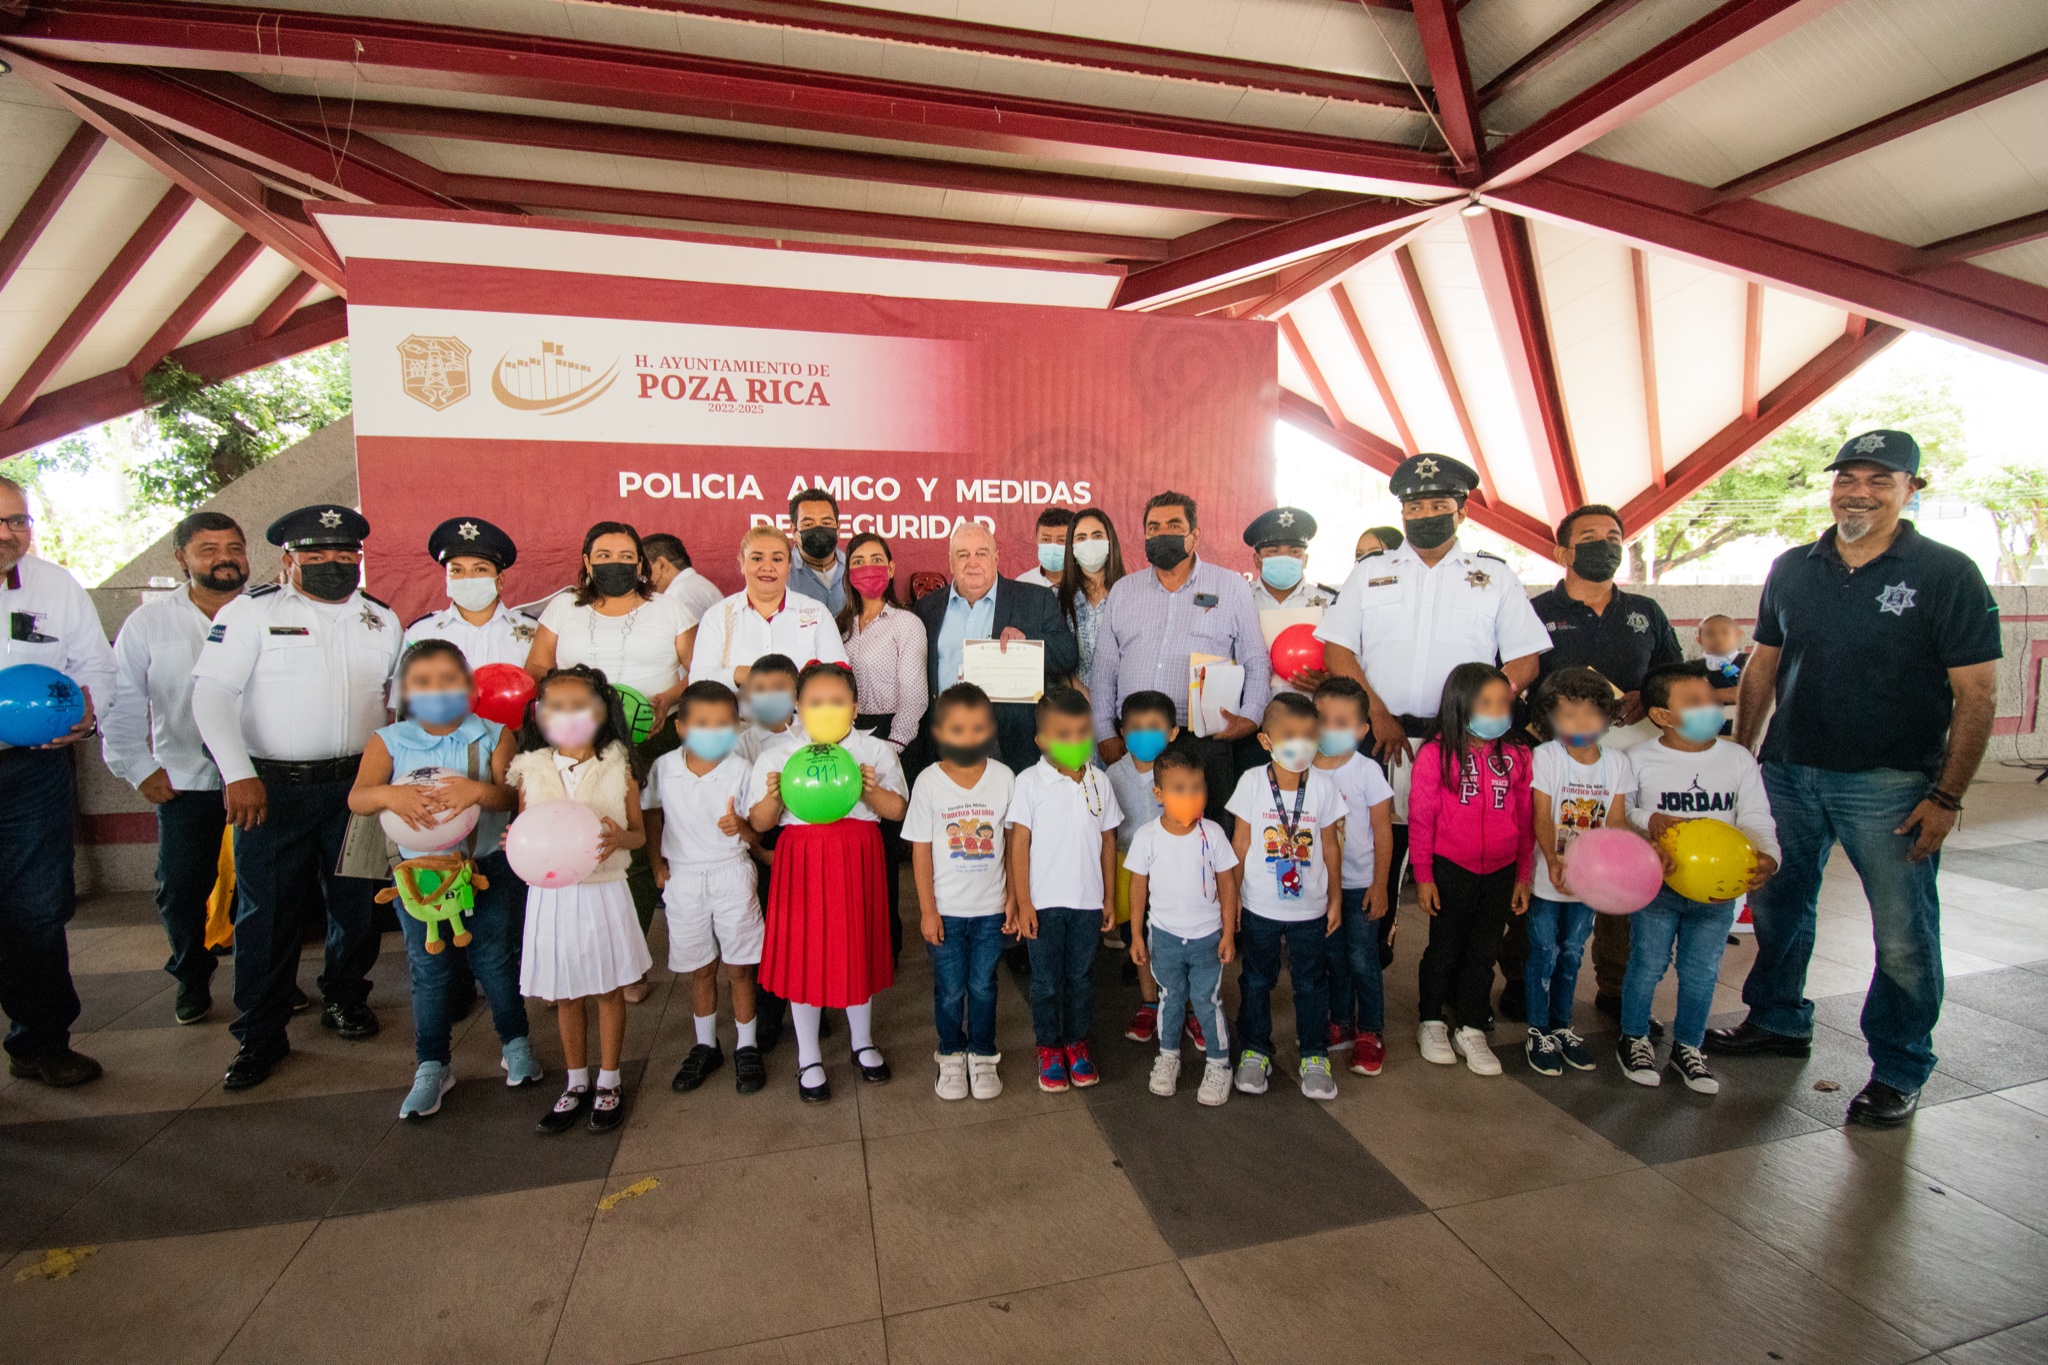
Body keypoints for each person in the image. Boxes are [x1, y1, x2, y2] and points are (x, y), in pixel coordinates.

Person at [1712, 429, 1998, 1128]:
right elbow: (1762, 667)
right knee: (1779, 908)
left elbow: (1978, 695)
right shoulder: (1794, 566)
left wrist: (1946, 796)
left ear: (1911, 489)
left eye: (1878, 479)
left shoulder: (1946, 573)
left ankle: (1900, 1066)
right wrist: (1739, 757)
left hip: (1891, 785)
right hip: (1788, 773)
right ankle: (1778, 1019)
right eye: (1848, 478)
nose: (1858, 491)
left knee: (1902, 933)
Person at [189, 504, 400, 1090]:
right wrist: (237, 773)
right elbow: (210, 695)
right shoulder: (251, 613)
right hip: (270, 790)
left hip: (355, 788)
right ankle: (260, 1034)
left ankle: (345, 996)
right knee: (268, 913)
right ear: (289, 559)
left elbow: (394, 702)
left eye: (345, 554)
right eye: (316, 554)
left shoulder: (383, 621)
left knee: (355, 902)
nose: (333, 562)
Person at [1317, 455, 1549, 977]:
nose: (1425, 514)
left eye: (1438, 504)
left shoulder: (1492, 576)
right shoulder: (1371, 573)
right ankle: (1367, 969)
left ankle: (1453, 991)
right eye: (1415, 506)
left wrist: (1477, 713)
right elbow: (1336, 650)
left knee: (1456, 867)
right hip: (1382, 740)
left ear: (1461, 512)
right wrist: (1376, 713)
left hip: (1462, 747)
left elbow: (1526, 659)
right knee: (1375, 852)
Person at [1509, 503, 1681, 1026]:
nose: (1603, 544)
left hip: (1624, 759)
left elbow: (1671, 675)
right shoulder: (1533, 609)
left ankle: (1614, 983)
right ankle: (1523, 980)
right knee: (1541, 859)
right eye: (1589, 536)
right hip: (1551, 761)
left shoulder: (1645, 612)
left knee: (1619, 858)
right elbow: (1512, 680)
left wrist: (1643, 694)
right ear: (1562, 551)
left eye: (1613, 535)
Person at [348, 640, 536, 1119]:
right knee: (428, 969)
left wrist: (478, 791)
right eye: (424, 682)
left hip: (484, 869)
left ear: (471, 687)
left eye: (449, 679)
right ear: (406, 691)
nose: (437, 690)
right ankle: (432, 1065)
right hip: (418, 876)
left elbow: (512, 796)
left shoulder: (494, 735)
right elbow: (358, 798)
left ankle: (515, 1044)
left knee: (495, 959)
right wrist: (391, 795)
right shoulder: (388, 741)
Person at [527, 521, 694, 998]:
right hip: (581, 742)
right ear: (586, 561)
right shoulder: (564, 608)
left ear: (640, 564)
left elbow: (697, 668)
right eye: (603, 555)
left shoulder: (670, 609)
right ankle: (570, 960)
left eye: (625, 555)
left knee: (635, 848)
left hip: (651, 738)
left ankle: (630, 964)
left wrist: (665, 699)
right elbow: (536, 666)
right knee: (581, 841)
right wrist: (569, 697)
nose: (614, 564)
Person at [103, 510, 247, 1027]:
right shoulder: (150, 622)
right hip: (188, 781)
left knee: (266, 889)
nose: (225, 558)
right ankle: (191, 976)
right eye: (208, 549)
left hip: (261, 777)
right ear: (181, 558)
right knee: (182, 886)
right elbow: (120, 701)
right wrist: (138, 767)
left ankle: (266, 978)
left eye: (234, 547)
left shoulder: (266, 611)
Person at [746, 661, 908, 1103]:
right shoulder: (778, 755)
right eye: (815, 703)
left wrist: (869, 790)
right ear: (797, 707)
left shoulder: (876, 752)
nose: (826, 710)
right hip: (802, 857)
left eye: (837, 702)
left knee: (856, 944)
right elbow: (758, 823)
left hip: (858, 854)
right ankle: (809, 1056)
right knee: (806, 952)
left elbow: (897, 811)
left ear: (855, 708)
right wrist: (773, 798)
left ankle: (862, 1041)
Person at [0, 476, 114, 1087]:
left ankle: (41, 1043)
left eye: (17, 521)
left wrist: (88, 709)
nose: (7, 534)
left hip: (33, 771)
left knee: (38, 910)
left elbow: (94, 662)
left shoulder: (53, 584)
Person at [1624, 662, 1780, 1096]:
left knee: (1701, 971)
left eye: (1712, 699)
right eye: (1694, 701)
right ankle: (1633, 1037)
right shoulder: (1638, 758)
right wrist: (1650, 819)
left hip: (1716, 893)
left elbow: (1755, 817)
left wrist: (1769, 856)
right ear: (1661, 715)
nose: (1709, 706)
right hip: (1658, 886)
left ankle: (1688, 1047)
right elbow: (1623, 813)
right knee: (1648, 964)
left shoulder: (1737, 758)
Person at [513, 666, 649, 1133]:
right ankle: (576, 1081)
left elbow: (639, 835)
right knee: (566, 992)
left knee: (608, 989)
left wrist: (619, 839)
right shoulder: (530, 771)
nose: (567, 717)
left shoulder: (618, 769)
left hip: (602, 891)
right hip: (552, 897)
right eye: (556, 707)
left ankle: (609, 1078)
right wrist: (517, 838)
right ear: (539, 714)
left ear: (600, 713)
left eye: (579, 707)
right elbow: (523, 831)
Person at [1090, 491, 1270, 826]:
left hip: (1203, 741)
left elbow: (1255, 659)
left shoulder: (1230, 587)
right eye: (1153, 527)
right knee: (1132, 836)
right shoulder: (1124, 591)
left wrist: (1251, 715)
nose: (1163, 534)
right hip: (1135, 741)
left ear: (1195, 535)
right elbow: (1103, 670)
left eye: (1174, 526)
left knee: (1207, 834)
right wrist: (1105, 733)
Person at [1408, 663, 1533, 1078]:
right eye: (1486, 704)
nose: (1498, 712)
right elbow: (1422, 820)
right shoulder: (1435, 755)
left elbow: (1527, 820)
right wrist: (1423, 876)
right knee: (1444, 949)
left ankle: (1472, 1024)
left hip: (1500, 871)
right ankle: (1431, 1020)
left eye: (1504, 704)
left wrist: (1523, 875)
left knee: (1484, 953)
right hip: (1450, 868)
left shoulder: (1517, 755)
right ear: (1460, 705)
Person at [645, 680, 767, 1096]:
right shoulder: (664, 768)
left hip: (731, 871)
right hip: (684, 877)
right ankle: (705, 1043)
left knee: (740, 965)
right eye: (702, 723)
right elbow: (651, 814)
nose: (712, 732)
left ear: (736, 727)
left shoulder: (742, 770)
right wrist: (656, 863)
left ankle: (747, 1045)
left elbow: (756, 832)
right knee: (700, 967)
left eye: (723, 724)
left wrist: (743, 827)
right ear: (680, 727)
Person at [1227, 693, 1345, 1101]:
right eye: (1291, 735)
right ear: (1266, 741)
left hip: (1310, 909)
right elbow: (1239, 843)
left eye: (1310, 736)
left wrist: (1335, 899)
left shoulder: (1325, 787)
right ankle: (1256, 1049)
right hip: (1259, 904)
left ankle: (1314, 1055)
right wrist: (1232, 900)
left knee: (1311, 983)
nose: (1302, 744)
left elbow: (1331, 847)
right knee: (1256, 979)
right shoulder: (1252, 783)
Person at [1007, 686, 1121, 1093]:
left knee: (1080, 977)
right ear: (1042, 740)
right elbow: (1018, 844)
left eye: (1083, 732)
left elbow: (1108, 841)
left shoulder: (1100, 783)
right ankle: (1049, 1047)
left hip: (1087, 903)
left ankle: (1076, 1042)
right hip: (1045, 903)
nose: (1076, 742)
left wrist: (1108, 897)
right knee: (1046, 981)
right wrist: (1023, 903)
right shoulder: (1028, 783)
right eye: (1064, 734)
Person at [905, 683, 1015, 1102]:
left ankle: (983, 1055)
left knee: (984, 985)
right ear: (938, 731)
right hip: (946, 911)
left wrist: (1014, 898)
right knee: (950, 988)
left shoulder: (1004, 779)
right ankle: (951, 1054)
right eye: (957, 729)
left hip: (991, 910)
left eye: (977, 728)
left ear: (991, 730)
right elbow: (920, 851)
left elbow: (1011, 844)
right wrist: (927, 910)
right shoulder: (929, 783)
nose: (968, 737)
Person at [1522, 667, 1631, 1078]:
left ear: (1607, 715)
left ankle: (1562, 1026)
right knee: (1543, 952)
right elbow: (1542, 816)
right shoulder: (1547, 756)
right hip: (1549, 880)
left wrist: (1612, 868)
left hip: (1589, 882)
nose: (1580, 723)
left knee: (1572, 953)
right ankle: (1538, 1029)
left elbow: (1616, 821)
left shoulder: (1617, 762)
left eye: (1589, 712)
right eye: (1568, 714)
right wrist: (1551, 859)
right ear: (1550, 719)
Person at [910, 521, 1077, 777]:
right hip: (942, 745)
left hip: (1011, 744)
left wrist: (1026, 641)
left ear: (997, 558)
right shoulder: (927, 609)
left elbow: (1067, 654)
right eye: (962, 555)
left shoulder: (1035, 600)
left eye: (982, 553)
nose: (972, 562)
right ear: (951, 562)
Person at [1126, 746, 1239, 1105]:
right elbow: (1137, 886)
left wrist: (1229, 933)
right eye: (1179, 788)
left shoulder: (1214, 834)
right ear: (1159, 794)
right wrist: (1136, 935)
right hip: (1165, 937)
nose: (1190, 796)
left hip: (1207, 938)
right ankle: (1168, 1056)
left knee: (1207, 1000)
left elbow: (1227, 884)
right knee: (1170, 998)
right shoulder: (1147, 836)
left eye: (1197, 787)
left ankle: (1220, 1064)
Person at [840, 532, 927, 959]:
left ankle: (883, 945)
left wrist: (892, 747)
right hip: (841, 737)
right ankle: (848, 939)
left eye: (877, 559)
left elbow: (915, 694)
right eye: (859, 560)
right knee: (847, 846)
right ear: (848, 572)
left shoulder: (907, 623)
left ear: (892, 569)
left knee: (883, 852)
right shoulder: (838, 625)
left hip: (894, 738)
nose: (868, 567)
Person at [1107, 690, 1204, 1053]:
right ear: (1122, 732)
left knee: (1182, 938)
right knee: (1141, 937)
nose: (1144, 734)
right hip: (1129, 868)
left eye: (1154, 727)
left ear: (1173, 732)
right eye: (1135, 727)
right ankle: (1150, 1003)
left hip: (1175, 868)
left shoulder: (1182, 772)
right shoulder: (1113, 775)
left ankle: (1192, 1008)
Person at [1310, 677, 1394, 1077]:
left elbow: (1383, 831)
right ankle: (1340, 1021)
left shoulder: (1367, 772)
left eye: (1342, 722)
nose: (1330, 729)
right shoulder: (1302, 767)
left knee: (1363, 957)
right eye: (1322, 719)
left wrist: (1380, 885)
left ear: (1363, 730)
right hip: (1320, 888)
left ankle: (1370, 1030)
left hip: (1360, 884)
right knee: (1332, 958)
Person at [733, 652, 800, 1049]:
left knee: (808, 928)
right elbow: (738, 809)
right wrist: (760, 853)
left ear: (796, 693)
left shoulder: (813, 734)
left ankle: (812, 1004)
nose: (769, 697)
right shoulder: (742, 744)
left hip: (804, 846)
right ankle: (770, 1014)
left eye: (779, 689)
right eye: (759, 690)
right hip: (763, 849)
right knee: (770, 935)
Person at [690, 525, 849, 690]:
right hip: (735, 716)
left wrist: (793, 684)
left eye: (777, 559)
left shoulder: (816, 613)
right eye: (757, 558)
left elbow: (838, 676)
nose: (767, 567)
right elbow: (697, 682)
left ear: (789, 565)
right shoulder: (716, 617)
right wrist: (740, 674)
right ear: (742, 563)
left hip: (803, 715)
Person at [400, 516, 538, 676]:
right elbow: (402, 698)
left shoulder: (533, 631)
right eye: (457, 571)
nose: (468, 579)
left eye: (480, 570)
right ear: (447, 579)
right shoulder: (422, 633)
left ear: (499, 580)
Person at [1243, 505, 1334, 698]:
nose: (1284, 558)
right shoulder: (1240, 600)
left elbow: (1345, 659)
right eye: (1273, 551)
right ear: (1257, 560)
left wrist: (1329, 683)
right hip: (1253, 714)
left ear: (1305, 560)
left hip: (1311, 714)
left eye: (1294, 552)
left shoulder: (1330, 602)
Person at [1055, 507, 1123, 690]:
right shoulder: (1056, 600)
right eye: (1081, 538)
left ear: (1110, 543)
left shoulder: (1129, 595)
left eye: (1097, 535)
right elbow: (1053, 661)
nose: (1090, 543)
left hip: (1123, 705)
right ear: (1072, 548)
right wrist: (1079, 690)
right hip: (1073, 707)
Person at [642, 532, 726, 625]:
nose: (641, 578)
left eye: (643, 569)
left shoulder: (679, 596)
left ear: (661, 565)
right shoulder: (692, 585)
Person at [787, 487, 846, 614]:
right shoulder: (781, 572)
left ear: (838, 527)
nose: (819, 530)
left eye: (826, 522)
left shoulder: (854, 567)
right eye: (808, 524)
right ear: (793, 531)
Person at [1698, 614, 1747, 718]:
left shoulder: (1750, 662)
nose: (1718, 638)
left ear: (1738, 635)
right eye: (1710, 634)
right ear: (1699, 640)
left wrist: (1711, 695)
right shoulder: (1694, 667)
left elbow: (1751, 692)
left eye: (1725, 632)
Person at [1016, 506, 1076, 588]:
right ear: (1037, 541)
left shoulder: (1088, 585)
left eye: (1061, 540)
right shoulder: (1022, 584)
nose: (1053, 546)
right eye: (1046, 539)